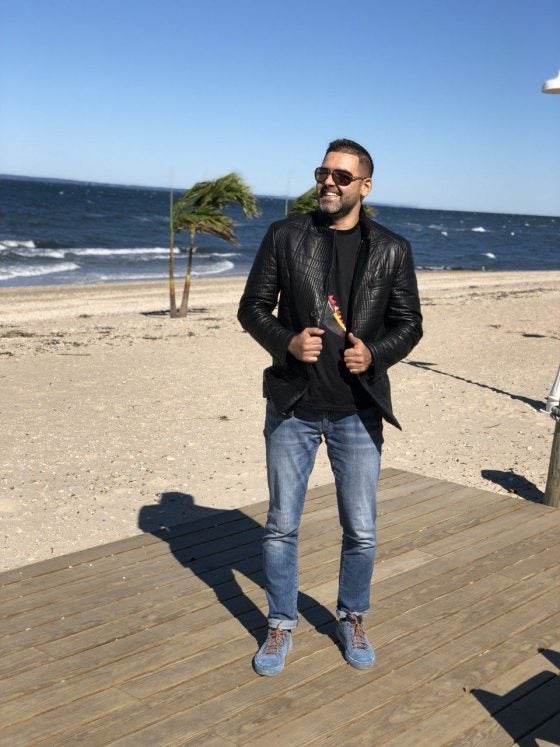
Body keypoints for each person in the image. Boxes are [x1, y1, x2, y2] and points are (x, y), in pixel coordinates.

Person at [238, 138, 422, 676]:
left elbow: (409, 323)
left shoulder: (392, 249)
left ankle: (353, 616)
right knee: (280, 525)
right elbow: (252, 307)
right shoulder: (285, 236)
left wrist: (377, 353)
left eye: (342, 176)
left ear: (365, 186)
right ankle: (280, 623)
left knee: (361, 529)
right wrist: (287, 342)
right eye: (323, 172)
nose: (328, 183)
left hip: (357, 410)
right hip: (293, 404)